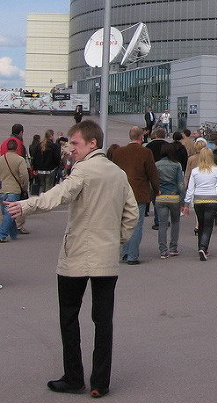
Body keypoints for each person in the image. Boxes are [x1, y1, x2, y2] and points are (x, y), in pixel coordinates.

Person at [4, 120, 138, 397]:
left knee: (69, 317)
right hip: (106, 257)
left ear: (92, 143)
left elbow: (59, 195)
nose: (70, 149)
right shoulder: (117, 173)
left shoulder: (83, 171)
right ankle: (100, 382)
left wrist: (25, 205)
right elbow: (131, 214)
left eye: (75, 144)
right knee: (103, 321)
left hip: (75, 255)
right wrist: (117, 240)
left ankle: (74, 377)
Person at [111, 126, 160, 265]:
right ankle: (133, 255)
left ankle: (125, 252)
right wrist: (156, 191)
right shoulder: (145, 152)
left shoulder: (118, 152)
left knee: (123, 223)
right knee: (136, 225)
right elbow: (152, 174)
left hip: (121, 193)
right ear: (141, 137)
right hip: (139, 193)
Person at [183, 147, 217, 260]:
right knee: (208, 226)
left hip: (198, 200)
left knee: (201, 225)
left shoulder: (195, 171)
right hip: (211, 200)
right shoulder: (215, 170)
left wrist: (186, 203)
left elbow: (190, 188)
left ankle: (201, 248)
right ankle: (203, 247)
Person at [154, 143, 185, 259]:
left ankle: (163, 250)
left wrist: (155, 193)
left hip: (161, 197)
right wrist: (182, 199)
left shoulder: (157, 165)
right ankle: (173, 247)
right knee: (175, 222)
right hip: (174, 197)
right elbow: (180, 184)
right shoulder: (177, 165)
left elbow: (153, 183)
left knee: (162, 224)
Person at [0, 139, 29, 242]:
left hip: (2, 189)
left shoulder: (1, 159)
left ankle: (13, 233)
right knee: (11, 213)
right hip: (14, 189)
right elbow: (24, 175)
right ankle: (2, 234)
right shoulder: (20, 160)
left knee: (7, 213)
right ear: (17, 148)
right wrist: (24, 187)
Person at [32, 129, 62, 195]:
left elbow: (35, 157)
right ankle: (47, 203)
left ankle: (40, 201)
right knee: (49, 186)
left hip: (40, 170)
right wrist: (58, 166)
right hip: (50, 170)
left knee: (41, 186)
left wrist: (35, 168)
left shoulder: (39, 145)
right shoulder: (54, 146)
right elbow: (57, 158)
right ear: (51, 136)